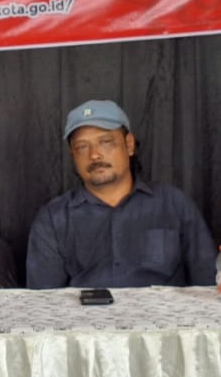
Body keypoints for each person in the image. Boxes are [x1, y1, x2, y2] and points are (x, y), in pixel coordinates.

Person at [27, 99, 217, 289]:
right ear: (73, 155)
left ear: (129, 145)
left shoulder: (174, 204)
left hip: (162, 309)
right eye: (82, 146)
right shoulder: (53, 219)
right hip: (83, 309)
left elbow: (208, 283)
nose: (94, 155)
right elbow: (43, 299)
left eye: (106, 142)